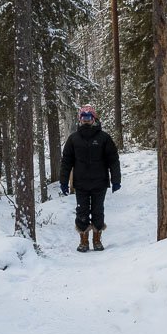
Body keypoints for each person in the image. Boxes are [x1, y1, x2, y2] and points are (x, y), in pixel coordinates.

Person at [59, 104, 121, 252]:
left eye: (88, 117)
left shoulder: (104, 138)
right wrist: (64, 181)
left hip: (100, 182)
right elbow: (66, 161)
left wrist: (116, 179)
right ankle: (84, 241)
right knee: (82, 212)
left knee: (98, 211)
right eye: (83, 117)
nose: (86, 120)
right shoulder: (73, 139)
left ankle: (97, 240)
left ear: (94, 119)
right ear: (80, 119)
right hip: (80, 183)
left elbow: (113, 159)